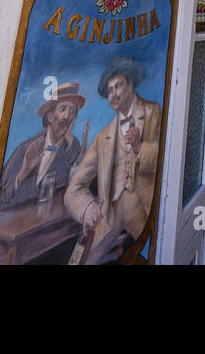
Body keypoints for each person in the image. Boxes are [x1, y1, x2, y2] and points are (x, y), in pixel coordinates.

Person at [65, 56, 161, 264]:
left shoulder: (153, 112)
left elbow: (167, 157)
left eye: (117, 87)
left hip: (146, 211)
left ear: (132, 84)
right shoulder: (104, 137)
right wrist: (86, 207)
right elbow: (74, 188)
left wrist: (139, 150)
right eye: (109, 91)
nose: (113, 95)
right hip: (110, 217)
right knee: (85, 260)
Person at [0, 81, 86, 206]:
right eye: (63, 109)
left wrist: (70, 138)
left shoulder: (73, 150)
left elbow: (83, 182)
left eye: (72, 112)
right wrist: (24, 171)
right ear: (50, 116)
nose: (67, 116)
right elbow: (2, 195)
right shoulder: (26, 149)